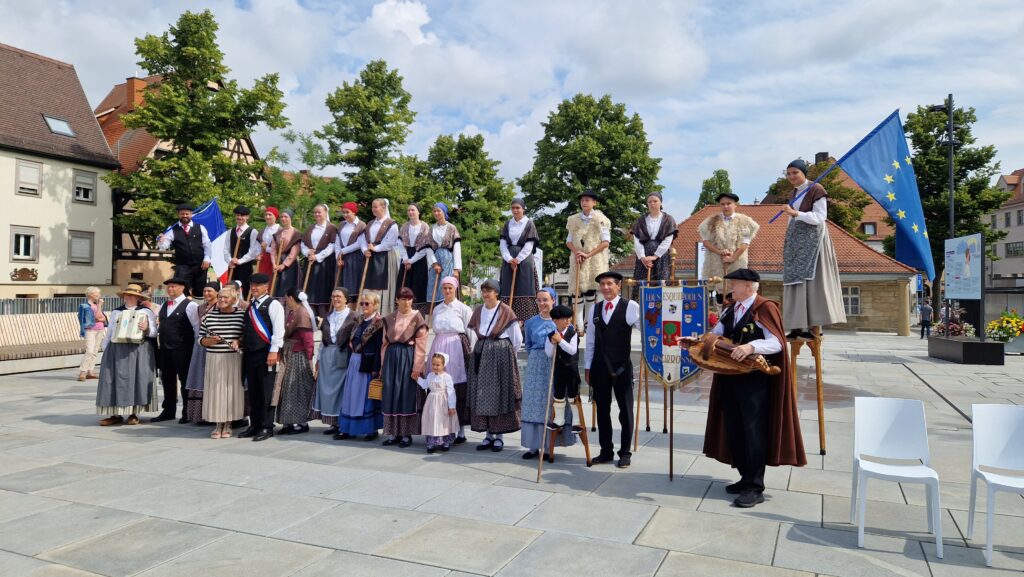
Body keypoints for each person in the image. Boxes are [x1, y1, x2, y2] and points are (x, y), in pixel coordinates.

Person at [702, 268, 806, 508]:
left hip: (754, 382)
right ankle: (745, 477)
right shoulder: (730, 309)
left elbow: (777, 342)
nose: (731, 288)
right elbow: (717, 334)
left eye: (735, 284)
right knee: (734, 427)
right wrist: (698, 342)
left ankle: (755, 487)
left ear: (749, 286)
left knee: (753, 431)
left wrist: (751, 347)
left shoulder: (765, 308)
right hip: (729, 377)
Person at [780, 158, 847, 340]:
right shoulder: (793, 193)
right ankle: (797, 326)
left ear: (804, 173)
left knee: (813, 281)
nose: (791, 176)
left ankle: (814, 326)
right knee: (794, 280)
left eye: (795, 172)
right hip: (797, 241)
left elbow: (820, 217)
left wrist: (796, 213)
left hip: (814, 241)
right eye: (788, 173)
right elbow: (791, 220)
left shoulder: (816, 189)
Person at [585, 271, 640, 468]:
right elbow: (590, 340)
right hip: (599, 367)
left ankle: (625, 452)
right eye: (602, 284)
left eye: (609, 284)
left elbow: (647, 329)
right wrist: (588, 366)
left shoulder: (631, 306)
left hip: (622, 366)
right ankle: (605, 451)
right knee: (602, 410)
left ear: (618, 285)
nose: (605, 287)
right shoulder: (594, 309)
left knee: (625, 411)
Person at [467, 279, 523, 452]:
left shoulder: (506, 310)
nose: (485, 294)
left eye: (489, 291)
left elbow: (517, 339)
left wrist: (506, 356)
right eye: (483, 291)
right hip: (481, 353)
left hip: (500, 354)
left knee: (499, 394)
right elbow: (473, 334)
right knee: (482, 394)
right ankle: (488, 435)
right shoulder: (478, 310)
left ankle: (499, 437)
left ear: (496, 292)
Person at [521, 288, 575, 459]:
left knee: (550, 402)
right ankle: (533, 445)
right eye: (539, 300)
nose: (542, 303)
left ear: (553, 300)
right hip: (536, 364)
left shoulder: (560, 321)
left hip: (555, 363)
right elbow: (528, 344)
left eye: (545, 299)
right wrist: (536, 358)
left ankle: (548, 445)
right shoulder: (530, 322)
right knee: (533, 404)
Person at [95, 284, 158, 425]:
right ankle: (114, 414)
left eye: (132, 295)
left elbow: (154, 333)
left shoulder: (146, 312)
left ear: (138, 298)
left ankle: (133, 413)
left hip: (138, 349)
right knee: (111, 380)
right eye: (127, 294)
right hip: (116, 348)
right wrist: (106, 349)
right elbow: (110, 331)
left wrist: (147, 328)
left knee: (136, 379)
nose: (129, 297)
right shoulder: (116, 312)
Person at [425, 276, 475, 444]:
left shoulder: (463, 309)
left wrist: (471, 352)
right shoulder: (437, 309)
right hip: (439, 346)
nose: (447, 291)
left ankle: (460, 430)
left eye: (450, 288)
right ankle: (441, 427)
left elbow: (471, 332)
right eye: (444, 288)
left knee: (455, 386)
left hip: (456, 348)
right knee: (438, 386)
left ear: (455, 289)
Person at [239, 273, 285, 442]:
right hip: (251, 354)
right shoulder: (251, 305)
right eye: (252, 285)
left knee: (266, 391)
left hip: (266, 353)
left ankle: (267, 426)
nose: (254, 288)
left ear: (266, 286)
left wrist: (274, 351)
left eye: (258, 285)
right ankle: (255, 424)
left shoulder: (274, 304)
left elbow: (279, 330)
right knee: (253, 391)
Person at [381, 287, 428, 447]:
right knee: (391, 394)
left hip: (408, 357)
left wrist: (417, 367)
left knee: (406, 395)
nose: (406, 302)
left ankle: (406, 434)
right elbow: (384, 344)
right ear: (397, 300)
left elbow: (421, 345)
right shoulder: (389, 318)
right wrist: (383, 365)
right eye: (403, 298)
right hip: (391, 359)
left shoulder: (417, 318)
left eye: (409, 299)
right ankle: (393, 433)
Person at [336, 291, 384, 441]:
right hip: (354, 362)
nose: (363, 306)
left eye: (367, 303)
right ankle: (347, 429)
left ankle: (370, 430)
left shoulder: (379, 323)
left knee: (365, 398)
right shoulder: (358, 320)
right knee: (350, 396)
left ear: (375, 305)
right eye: (362, 303)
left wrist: (376, 369)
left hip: (367, 364)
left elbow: (379, 348)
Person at [152, 277, 200, 424]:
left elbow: (197, 328)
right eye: (169, 286)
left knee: (185, 381)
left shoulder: (190, 305)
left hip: (183, 349)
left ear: (182, 288)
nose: (170, 289)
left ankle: (187, 412)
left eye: (173, 286)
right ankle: (168, 410)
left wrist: (196, 348)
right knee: (167, 380)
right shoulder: (164, 304)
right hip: (165, 349)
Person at [199, 288, 246, 439]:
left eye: (225, 297)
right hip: (214, 358)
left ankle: (229, 424)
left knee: (231, 391)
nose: (221, 300)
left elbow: (247, 335)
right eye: (220, 297)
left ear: (234, 299)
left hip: (233, 359)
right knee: (215, 391)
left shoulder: (242, 315)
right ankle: (218, 424)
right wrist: (209, 341)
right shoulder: (208, 316)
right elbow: (200, 339)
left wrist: (239, 341)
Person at [312, 288, 358, 435]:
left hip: (343, 355)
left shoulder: (354, 316)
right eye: (333, 297)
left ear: (346, 299)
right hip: (327, 356)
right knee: (328, 392)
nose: (335, 299)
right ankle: (333, 423)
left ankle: (342, 422)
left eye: (339, 296)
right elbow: (323, 341)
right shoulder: (328, 316)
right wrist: (318, 359)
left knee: (342, 390)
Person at [566, 189, 611, 333]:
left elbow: (605, 242)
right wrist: (577, 252)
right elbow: (569, 241)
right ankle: (578, 324)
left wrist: (588, 254)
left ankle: (589, 322)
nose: (584, 202)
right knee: (577, 290)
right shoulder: (573, 220)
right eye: (582, 200)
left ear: (594, 203)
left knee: (591, 289)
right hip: (577, 259)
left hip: (594, 260)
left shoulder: (600, 219)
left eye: (587, 200)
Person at [698, 192, 760, 296]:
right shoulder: (711, 221)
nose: (725, 206)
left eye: (728, 203)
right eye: (722, 204)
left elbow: (745, 242)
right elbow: (706, 242)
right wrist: (720, 252)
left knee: (736, 291)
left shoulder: (744, 221)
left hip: (737, 262)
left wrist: (733, 257)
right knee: (719, 292)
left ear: (735, 205)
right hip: (716, 262)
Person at [274, 288, 317, 435]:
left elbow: (308, 339)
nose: (286, 301)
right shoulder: (294, 312)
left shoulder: (302, 313)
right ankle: (288, 422)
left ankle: (301, 422)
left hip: (299, 355)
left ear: (291, 298)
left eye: (286, 298)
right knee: (286, 388)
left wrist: (309, 358)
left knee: (296, 388)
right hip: (289, 352)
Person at [184, 282, 221, 424]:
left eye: (210, 291)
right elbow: (196, 327)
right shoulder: (200, 308)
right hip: (201, 345)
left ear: (217, 292)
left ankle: (216, 414)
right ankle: (201, 414)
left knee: (215, 379)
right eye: (205, 291)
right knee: (200, 377)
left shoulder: (221, 306)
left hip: (216, 344)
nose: (206, 294)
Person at [157, 203, 212, 297]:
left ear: (191, 214)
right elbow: (164, 246)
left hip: (200, 265)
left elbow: (207, 244)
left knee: (200, 291)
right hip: (182, 266)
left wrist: (207, 259)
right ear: (178, 214)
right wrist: (161, 241)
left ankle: (199, 305)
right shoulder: (172, 229)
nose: (185, 216)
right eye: (182, 214)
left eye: (187, 214)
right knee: (181, 291)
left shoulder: (200, 227)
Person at [500, 198, 541, 321]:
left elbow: (529, 244)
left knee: (525, 287)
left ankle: (525, 319)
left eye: (518, 208)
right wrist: (509, 259)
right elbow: (503, 243)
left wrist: (518, 259)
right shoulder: (508, 224)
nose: (515, 210)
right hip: (509, 260)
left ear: (523, 209)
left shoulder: (529, 223)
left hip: (524, 260)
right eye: (513, 208)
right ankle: (507, 318)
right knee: (507, 287)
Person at [631, 192, 679, 297]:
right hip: (644, 256)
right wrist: (643, 257)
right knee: (642, 282)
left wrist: (655, 256)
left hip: (661, 256)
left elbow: (668, 240)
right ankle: (640, 303)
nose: (652, 204)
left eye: (655, 201)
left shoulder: (668, 219)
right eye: (650, 202)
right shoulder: (640, 220)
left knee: (661, 281)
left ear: (660, 203)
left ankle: (661, 304)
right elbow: (637, 240)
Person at [360, 198, 400, 316]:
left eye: (376, 207)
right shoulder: (370, 223)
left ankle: (382, 313)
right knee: (367, 284)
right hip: (370, 256)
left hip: (384, 257)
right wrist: (365, 250)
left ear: (383, 207)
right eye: (372, 207)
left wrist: (375, 248)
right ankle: (367, 312)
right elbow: (362, 240)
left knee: (381, 285)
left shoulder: (391, 224)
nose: (373, 209)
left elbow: (390, 242)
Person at [545, 304, 580, 433]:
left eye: (569, 318)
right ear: (555, 321)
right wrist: (552, 343)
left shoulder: (572, 333)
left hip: (571, 370)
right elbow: (549, 353)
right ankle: (558, 420)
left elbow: (572, 350)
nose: (568, 320)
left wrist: (560, 341)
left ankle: (576, 422)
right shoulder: (551, 335)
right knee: (558, 395)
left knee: (573, 395)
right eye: (564, 319)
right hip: (558, 369)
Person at [301, 204, 339, 315]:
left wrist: (318, 256)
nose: (317, 214)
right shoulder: (310, 228)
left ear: (325, 212)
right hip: (310, 261)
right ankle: (310, 312)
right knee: (310, 288)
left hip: (325, 263)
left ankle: (323, 313)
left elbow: (332, 245)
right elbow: (303, 243)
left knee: (322, 288)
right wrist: (307, 252)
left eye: (319, 212)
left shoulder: (331, 228)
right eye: (315, 212)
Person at [418, 352, 459, 453]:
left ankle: (445, 442)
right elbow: (425, 385)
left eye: (438, 365)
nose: (435, 367)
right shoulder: (430, 375)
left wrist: (452, 406)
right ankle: (431, 443)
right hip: (431, 402)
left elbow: (451, 392)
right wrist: (417, 378)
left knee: (443, 421)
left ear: (443, 365)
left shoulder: (446, 377)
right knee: (432, 421)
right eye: (433, 364)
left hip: (443, 403)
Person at [425, 202, 462, 311]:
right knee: (434, 286)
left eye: (438, 211)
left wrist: (456, 269)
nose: (436, 213)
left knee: (447, 285)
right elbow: (429, 248)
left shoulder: (451, 228)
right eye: (434, 211)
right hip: (436, 260)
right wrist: (434, 263)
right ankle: (435, 313)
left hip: (448, 261)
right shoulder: (432, 228)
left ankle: (449, 311)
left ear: (444, 212)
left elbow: (457, 247)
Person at [398, 204, 431, 313]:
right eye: (409, 210)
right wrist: (405, 259)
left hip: (419, 260)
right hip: (406, 258)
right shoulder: (404, 227)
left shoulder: (425, 227)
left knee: (418, 287)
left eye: (413, 210)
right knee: (404, 286)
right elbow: (400, 244)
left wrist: (411, 261)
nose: (410, 212)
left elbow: (425, 247)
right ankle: (403, 312)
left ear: (418, 212)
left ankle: (418, 315)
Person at [225, 205, 261, 297]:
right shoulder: (230, 232)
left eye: (242, 215)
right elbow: (226, 249)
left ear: (247, 217)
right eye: (238, 215)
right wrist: (230, 260)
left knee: (245, 290)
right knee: (231, 290)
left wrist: (240, 261)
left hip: (245, 267)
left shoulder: (253, 232)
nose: (240, 217)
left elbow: (253, 251)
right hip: (232, 266)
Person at [334, 201, 366, 302]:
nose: (345, 215)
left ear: (354, 212)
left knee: (352, 286)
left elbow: (359, 243)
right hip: (342, 259)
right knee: (341, 284)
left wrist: (343, 251)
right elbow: (337, 242)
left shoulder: (361, 225)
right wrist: (338, 257)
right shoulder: (342, 224)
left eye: (347, 212)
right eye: (343, 212)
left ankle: (353, 307)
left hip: (355, 258)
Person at [271, 210, 303, 298]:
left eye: (286, 217)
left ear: (290, 218)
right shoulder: (277, 234)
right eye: (282, 217)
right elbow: (273, 250)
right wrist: (274, 264)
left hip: (290, 265)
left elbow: (294, 252)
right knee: (277, 287)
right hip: (278, 262)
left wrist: (284, 265)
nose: (283, 219)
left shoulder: (296, 233)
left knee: (288, 287)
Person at [77, 286, 107, 381]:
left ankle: (90, 371)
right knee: (89, 351)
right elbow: (96, 317)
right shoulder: (84, 306)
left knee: (94, 351)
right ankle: (83, 372)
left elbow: (103, 318)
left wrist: (99, 317)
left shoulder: (96, 305)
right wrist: (99, 308)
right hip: (90, 330)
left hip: (100, 329)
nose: (99, 295)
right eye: (97, 293)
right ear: (91, 294)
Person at [257, 207, 281, 277]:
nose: (267, 217)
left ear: (275, 216)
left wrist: (266, 248)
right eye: (266, 215)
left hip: (275, 260)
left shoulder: (280, 231)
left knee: (271, 280)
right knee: (261, 279)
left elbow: (281, 250)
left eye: (270, 215)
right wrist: (258, 254)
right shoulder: (262, 231)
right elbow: (259, 245)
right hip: (263, 260)